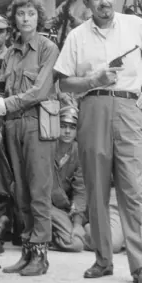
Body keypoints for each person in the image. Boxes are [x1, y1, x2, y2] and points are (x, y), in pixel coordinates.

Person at [55, 0, 142, 283]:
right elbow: (62, 80)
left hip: (129, 108)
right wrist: (92, 81)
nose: (104, 1)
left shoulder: (135, 25)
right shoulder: (77, 36)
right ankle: (103, 260)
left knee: (133, 187)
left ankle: (140, 265)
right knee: (97, 188)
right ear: (87, 3)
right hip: (93, 107)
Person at [0, 0, 59, 276]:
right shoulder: (10, 54)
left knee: (38, 190)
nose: (26, 18)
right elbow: (0, 89)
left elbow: (40, 90)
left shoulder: (48, 48)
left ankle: (40, 254)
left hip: (37, 123)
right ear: (15, 18)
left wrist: (2, 105)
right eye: (21, 14)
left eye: (31, 14)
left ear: (39, 18)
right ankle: (26, 251)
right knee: (19, 191)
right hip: (12, 125)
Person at [49, 105, 87, 252]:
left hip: (61, 209)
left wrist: (77, 223)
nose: (67, 131)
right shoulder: (47, 146)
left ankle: (50, 237)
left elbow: (81, 189)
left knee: (76, 242)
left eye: (72, 127)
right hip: (42, 204)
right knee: (75, 244)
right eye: (63, 126)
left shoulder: (78, 152)